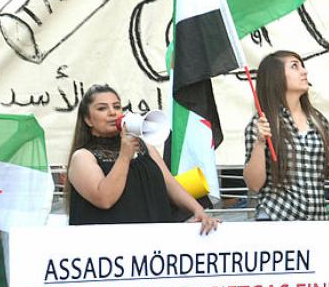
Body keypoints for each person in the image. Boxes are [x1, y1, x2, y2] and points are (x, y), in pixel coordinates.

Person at [66, 84, 218, 233]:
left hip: (152, 245)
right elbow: (105, 199)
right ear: (88, 119)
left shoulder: (145, 148)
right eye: (102, 108)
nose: (112, 112)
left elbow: (171, 185)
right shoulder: (83, 157)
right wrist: (124, 157)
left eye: (117, 106)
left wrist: (198, 210)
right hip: (109, 249)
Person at [243, 51, 329, 221]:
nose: (304, 71)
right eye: (294, 66)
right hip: (277, 219)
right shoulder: (262, 123)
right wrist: (260, 143)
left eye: (302, 66)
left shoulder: (318, 120)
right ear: (275, 77)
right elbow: (254, 184)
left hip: (315, 223)